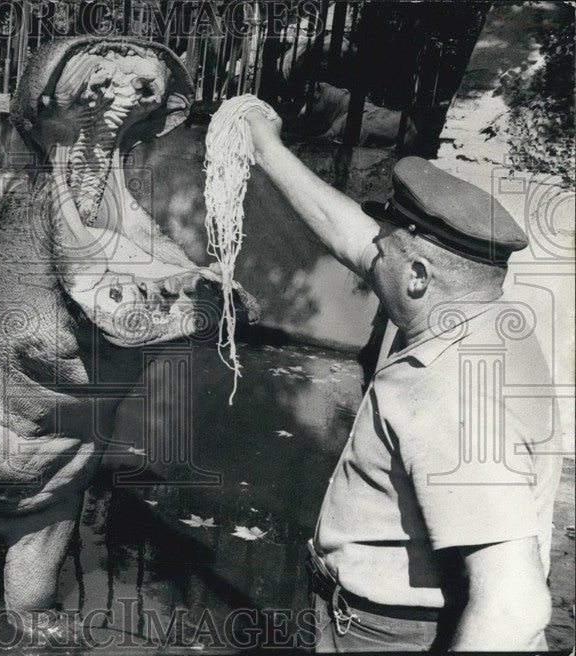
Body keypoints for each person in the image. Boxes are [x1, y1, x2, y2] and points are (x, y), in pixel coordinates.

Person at [237, 102, 562, 651]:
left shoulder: (457, 392)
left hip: (393, 634)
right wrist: (266, 150)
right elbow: (353, 238)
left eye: (382, 244)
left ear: (416, 276)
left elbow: (514, 605)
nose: (369, 250)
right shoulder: (477, 316)